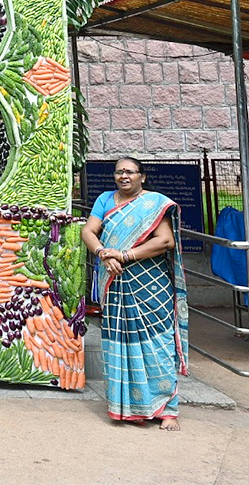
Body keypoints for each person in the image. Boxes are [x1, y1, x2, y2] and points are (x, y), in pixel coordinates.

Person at [81, 156, 189, 431]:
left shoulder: (154, 203)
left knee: (158, 344)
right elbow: (89, 231)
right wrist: (104, 252)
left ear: (142, 176)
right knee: (120, 344)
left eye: (129, 172)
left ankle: (167, 410)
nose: (123, 176)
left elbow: (165, 241)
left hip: (150, 285)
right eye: (118, 172)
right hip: (116, 283)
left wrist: (125, 255)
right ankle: (129, 408)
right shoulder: (106, 199)